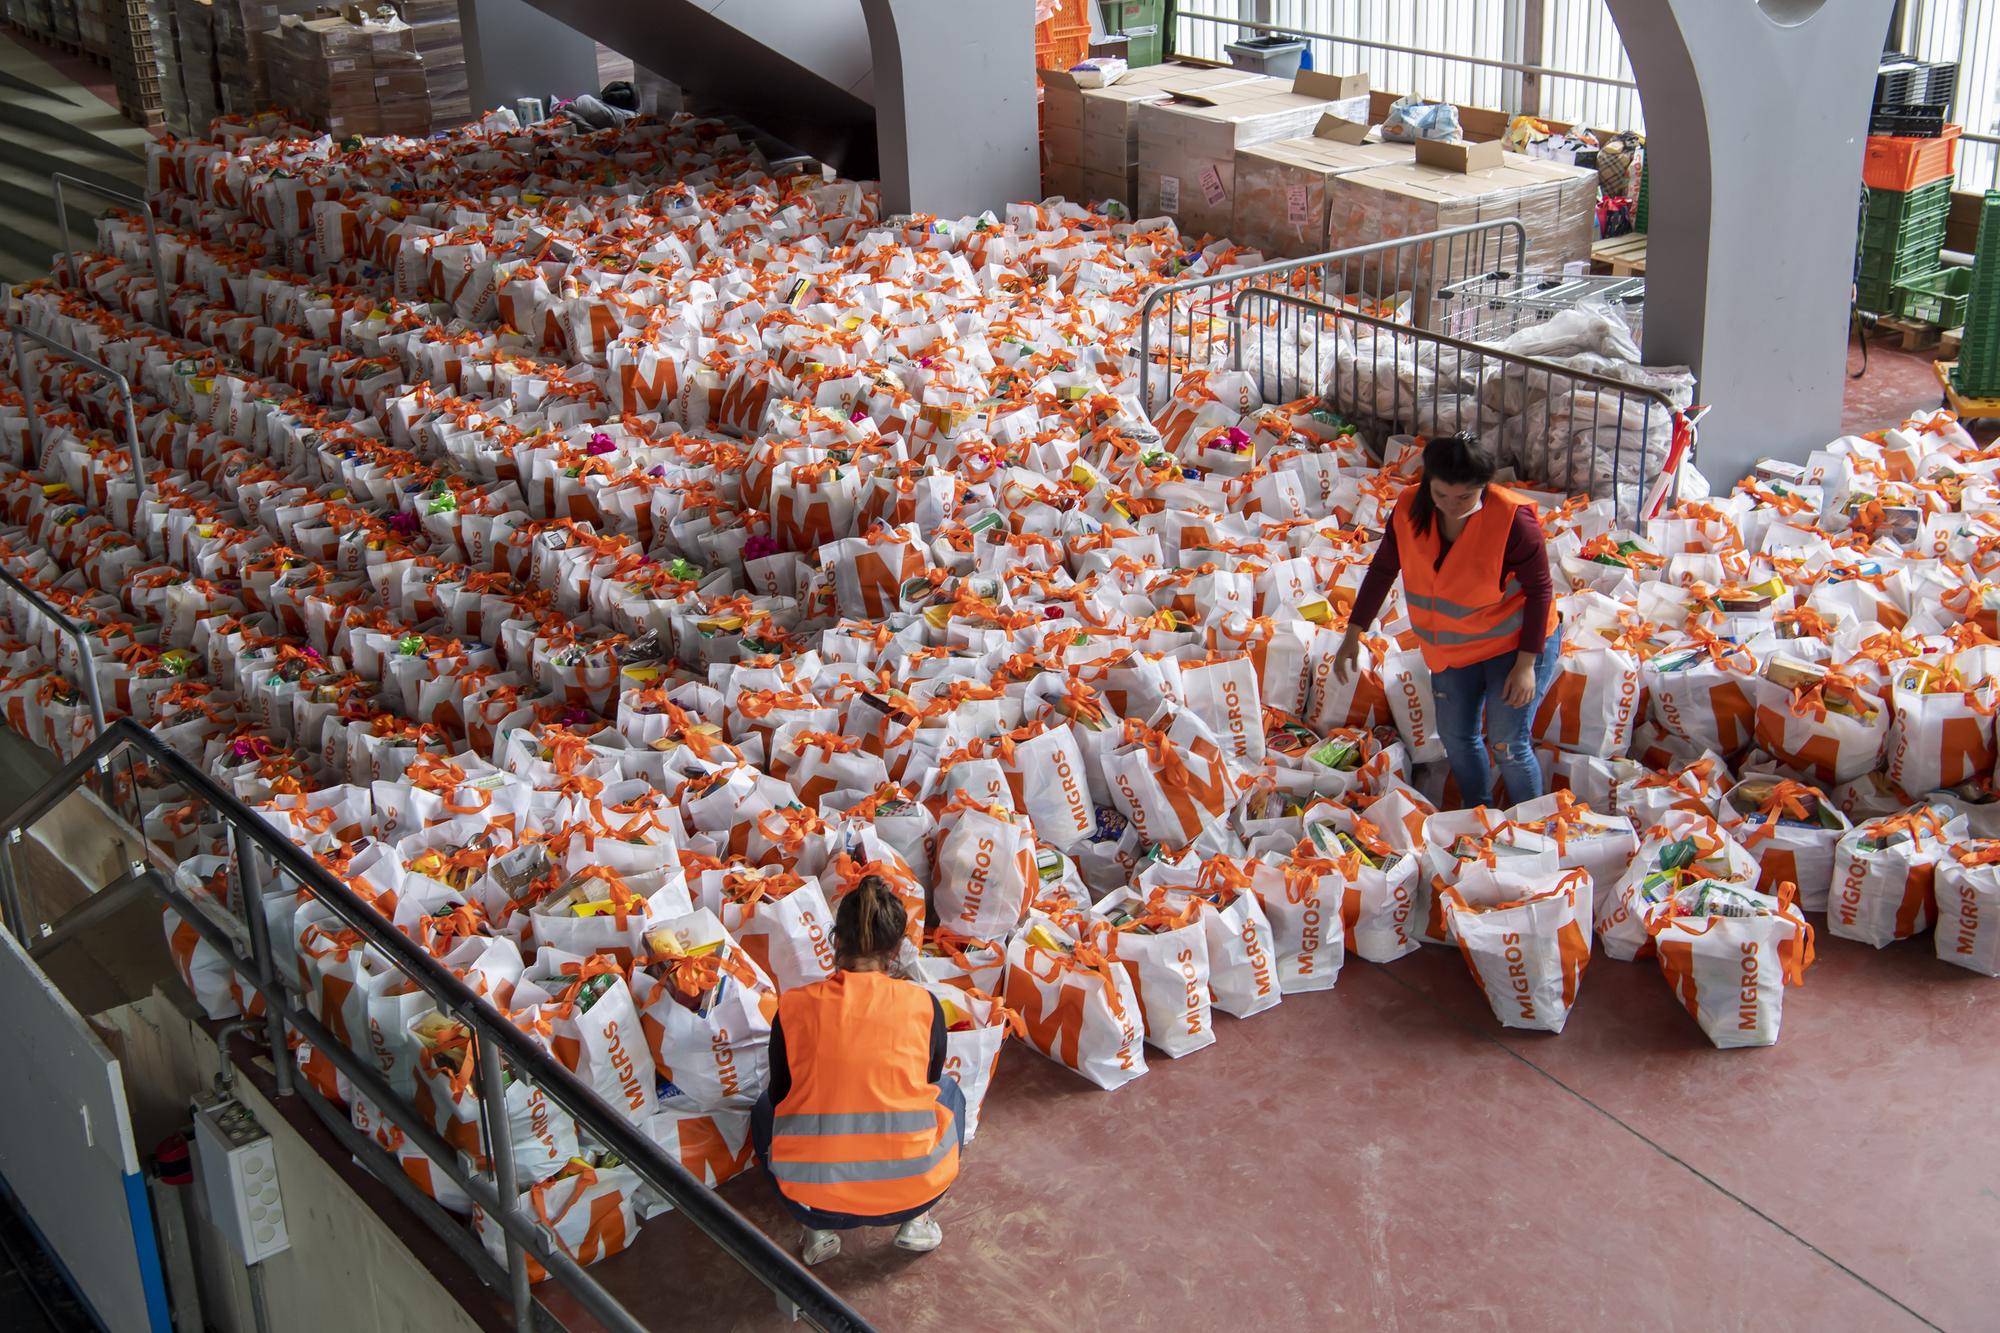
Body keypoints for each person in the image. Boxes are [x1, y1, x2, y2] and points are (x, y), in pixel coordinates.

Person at [1333, 432, 1560, 807]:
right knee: (1456, 737)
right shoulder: (1408, 508)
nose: (1452, 506)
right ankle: (1478, 815)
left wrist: (1526, 666)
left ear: (1483, 488)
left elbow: (1540, 592)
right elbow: (1383, 569)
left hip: (1513, 644)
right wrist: (1352, 634)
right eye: (1441, 496)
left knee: (1508, 744)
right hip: (1453, 649)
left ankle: (1532, 831)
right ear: (1427, 484)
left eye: (1465, 497)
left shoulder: (1513, 520)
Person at [751, 875, 963, 1266]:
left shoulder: (795, 1007)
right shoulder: (923, 1004)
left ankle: (817, 1232)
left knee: (765, 1107)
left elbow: (781, 1094)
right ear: (897, 948)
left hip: (813, 1201)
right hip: (913, 1190)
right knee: (948, 1091)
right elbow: (928, 1081)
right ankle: (916, 1221)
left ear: (836, 941)